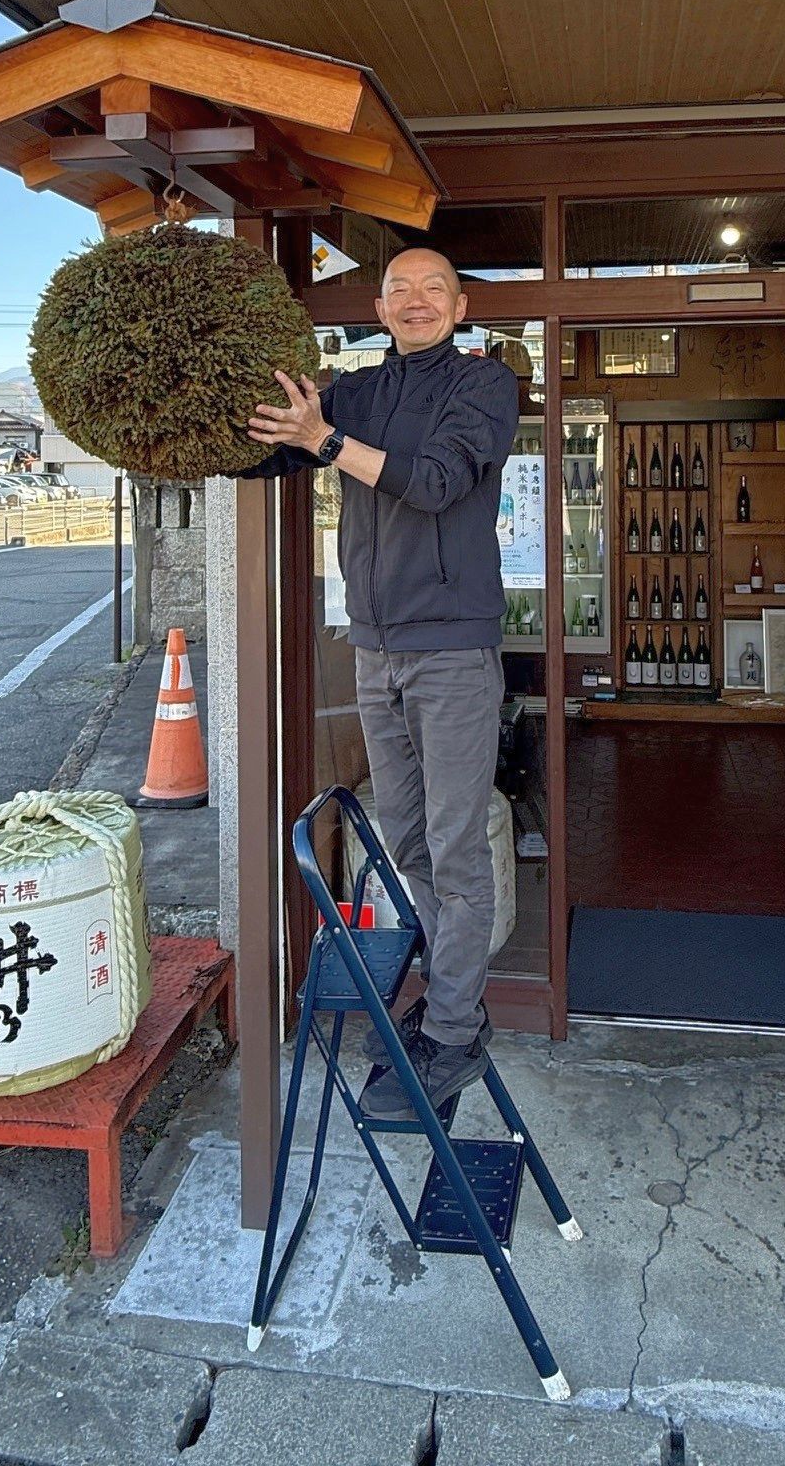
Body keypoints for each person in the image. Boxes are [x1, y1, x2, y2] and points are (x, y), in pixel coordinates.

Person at [246, 248, 519, 1116]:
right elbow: (277, 447)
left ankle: (453, 1031)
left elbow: (436, 484)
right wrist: (229, 429)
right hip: (377, 650)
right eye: (399, 289)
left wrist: (324, 441)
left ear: (460, 302)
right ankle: (443, 1001)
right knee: (406, 843)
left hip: (452, 652)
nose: (415, 301)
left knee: (456, 846)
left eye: (434, 287)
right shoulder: (359, 392)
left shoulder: (485, 388)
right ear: (377, 305)